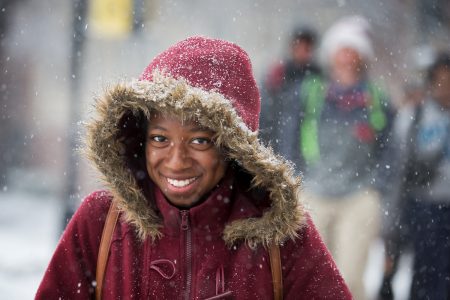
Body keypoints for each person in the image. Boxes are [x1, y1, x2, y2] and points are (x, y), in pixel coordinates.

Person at [36, 36, 351, 299]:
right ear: (140, 139)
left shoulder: (280, 233)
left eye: (200, 141)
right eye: (160, 138)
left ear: (233, 149)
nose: (176, 161)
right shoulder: (102, 222)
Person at [299, 16, 393, 299]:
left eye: (353, 51)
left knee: (349, 277)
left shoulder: (376, 97)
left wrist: (378, 183)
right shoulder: (312, 92)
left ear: (362, 56)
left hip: (359, 196)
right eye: (342, 50)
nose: (347, 57)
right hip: (314, 191)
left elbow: (391, 147)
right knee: (309, 277)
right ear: (332, 54)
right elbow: (288, 134)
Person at [382, 52, 450, 299]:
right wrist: (391, 219)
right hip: (424, 206)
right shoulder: (414, 116)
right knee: (425, 274)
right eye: (441, 80)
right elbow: (398, 168)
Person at [259, 25, 320, 160]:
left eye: (307, 47)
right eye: (299, 46)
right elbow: (265, 113)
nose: (303, 52)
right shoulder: (277, 75)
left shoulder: (319, 77)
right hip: (277, 145)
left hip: (306, 150)